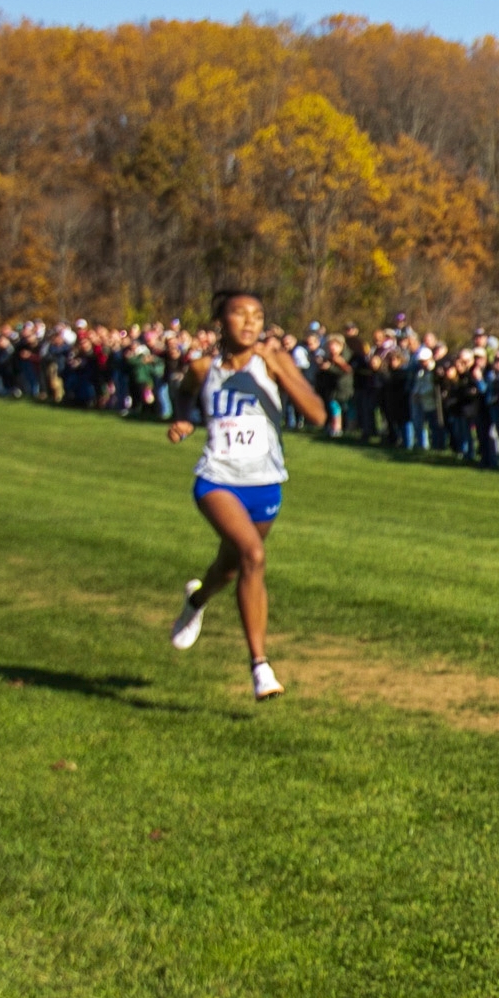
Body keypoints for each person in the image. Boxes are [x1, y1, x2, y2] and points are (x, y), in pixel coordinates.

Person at [165, 290, 328, 700]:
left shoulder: (273, 363)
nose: (250, 322)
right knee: (254, 556)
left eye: (258, 314)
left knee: (232, 567)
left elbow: (318, 415)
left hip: (265, 484)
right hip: (216, 479)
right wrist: (183, 421)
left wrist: (281, 368)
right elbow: (183, 392)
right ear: (221, 321)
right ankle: (260, 667)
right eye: (240, 313)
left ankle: (197, 599)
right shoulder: (203, 368)